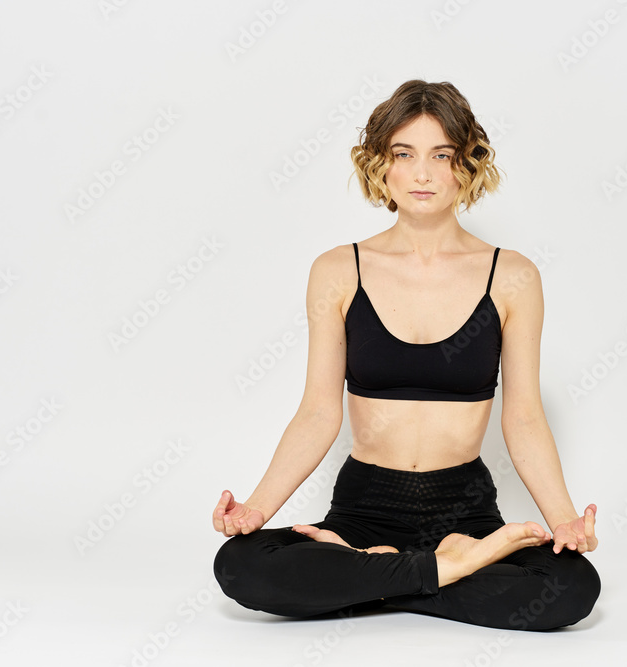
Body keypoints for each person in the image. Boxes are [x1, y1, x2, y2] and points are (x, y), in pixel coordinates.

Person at [212, 79, 601, 631]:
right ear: (381, 165)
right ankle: (447, 570)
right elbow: (319, 412)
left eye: (441, 155)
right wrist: (256, 509)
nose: (423, 174)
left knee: (573, 587)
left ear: (466, 165)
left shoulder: (512, 276)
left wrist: (564, 521)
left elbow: (524, 416)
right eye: (404, 154)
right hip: (363, 509)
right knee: (240, 565)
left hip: (463, 509)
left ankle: (380, 578)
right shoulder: (337, 270)